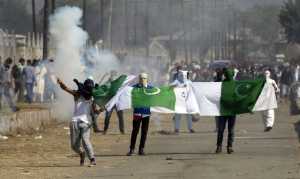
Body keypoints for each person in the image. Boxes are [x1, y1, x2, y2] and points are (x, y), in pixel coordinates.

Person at [57, 77, 103, 167]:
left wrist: (100, 110)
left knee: (85, 141)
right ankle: (81, 153)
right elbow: (66, 88)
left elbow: (94, 111)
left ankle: (92, 159)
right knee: (74, 146)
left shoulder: (92, 98)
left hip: (85, 122)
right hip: (74, 121)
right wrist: (61, 83)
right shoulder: (77, 94)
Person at [127, 73, 152, 156]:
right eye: (141, 78)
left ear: (147, 79)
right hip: (137, 113)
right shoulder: (134, 88)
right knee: (135, 131)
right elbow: (127, 92)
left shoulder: (150, 88)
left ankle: (141, 149)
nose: (143, 80)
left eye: (144, 78)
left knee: (144, 132)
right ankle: (132, 149)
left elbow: (159, 92)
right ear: (139, 79)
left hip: (146, 113)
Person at [216, 68, 236, 154]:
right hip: (224, 110)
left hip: (229, 111)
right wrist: (218, 76)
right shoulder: (221, 83)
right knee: (224, 129)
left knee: (226, 129)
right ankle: (221, 146)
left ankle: (228, 146)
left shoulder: (235, 84)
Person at [103, 70, 125, 134]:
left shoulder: (119, 82)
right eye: (112, 74)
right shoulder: (108, 82)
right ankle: (105, 130)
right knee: (107, 116)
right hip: (110, 101)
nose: (113, 75)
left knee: (120, 116)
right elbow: (104, 88)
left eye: (114, 74)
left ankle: (122, 130)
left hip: (118, 101)